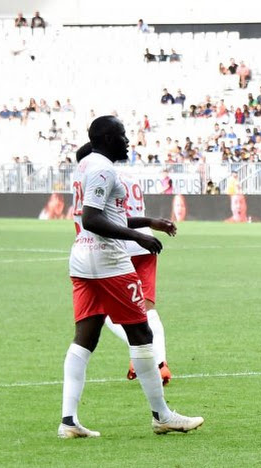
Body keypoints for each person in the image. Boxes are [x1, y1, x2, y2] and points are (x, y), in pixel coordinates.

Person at [61, 116, 202, 438]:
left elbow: (107, 214)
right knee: (141, 334)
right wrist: (138, 238)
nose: (128, 141)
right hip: (108, 260)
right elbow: (94, 219)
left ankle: (68, 421)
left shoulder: (85, 166)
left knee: (85, 337)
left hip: (82, 260)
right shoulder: (103, 169)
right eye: (122, 135)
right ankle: (162, 415)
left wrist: (149, 221)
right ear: (109, 138)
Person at [74, 143, 174, 386]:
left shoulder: (98, 174)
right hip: (144, 244)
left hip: (118, 245)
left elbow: (104, 218)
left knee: (106, 312)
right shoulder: (127, 175)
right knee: (147, 310)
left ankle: (142, 355)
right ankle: (160, 363)